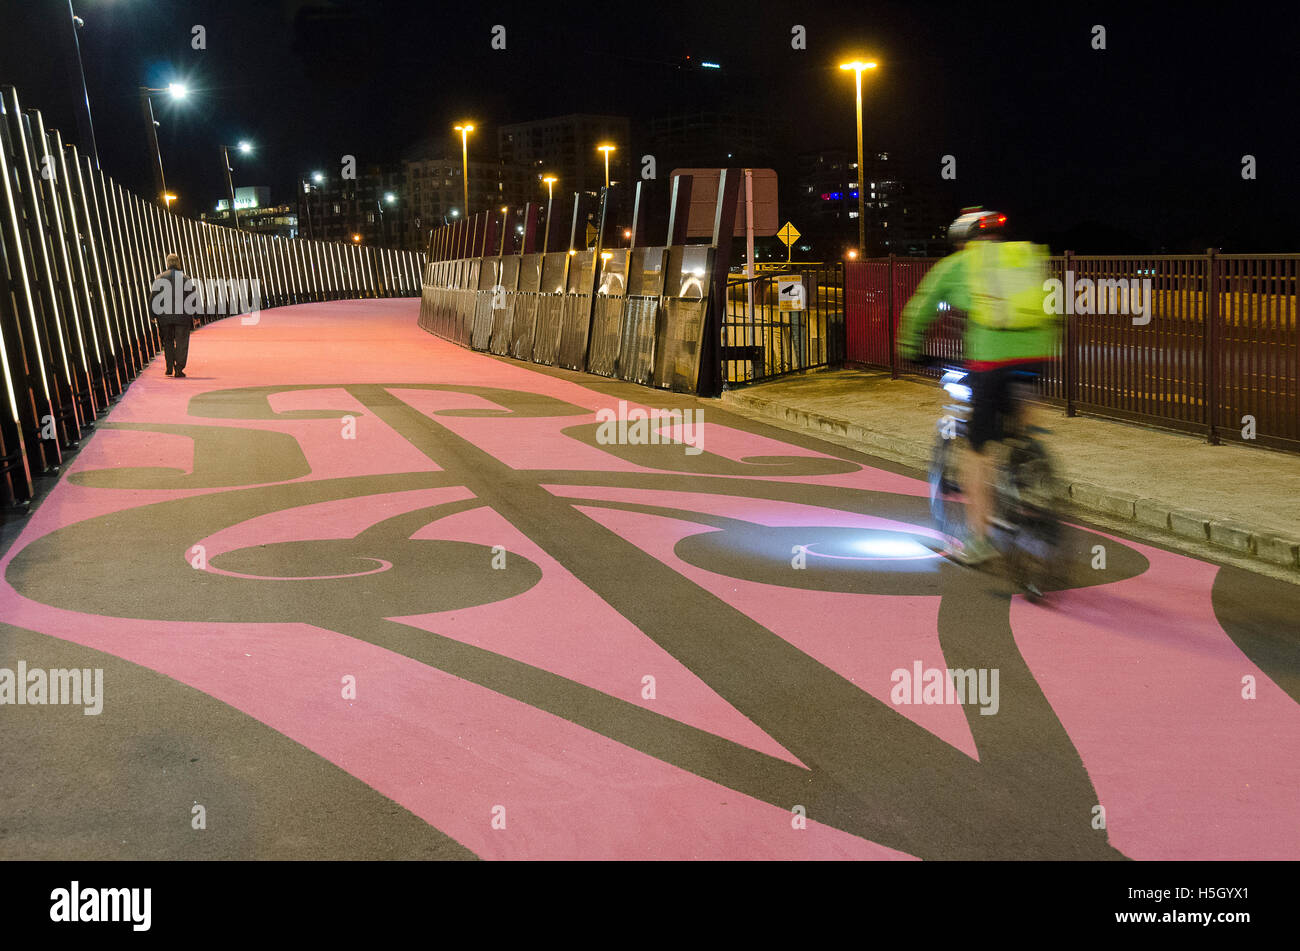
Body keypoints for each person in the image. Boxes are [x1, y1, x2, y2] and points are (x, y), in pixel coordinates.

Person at [898, 208, 1057, 566]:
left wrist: (911, 350)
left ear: (963, 239)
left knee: (977, 448)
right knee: (1022, 425)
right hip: (1036, 355)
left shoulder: (960, 265)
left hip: (992, 363)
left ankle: (979, 542)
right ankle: (1033, 464)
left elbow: (919, 310)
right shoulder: (1024, 258)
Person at [150, 253, 199, 378]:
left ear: (167, 263)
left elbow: (153, 297)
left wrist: (153, 314)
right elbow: (192, 298)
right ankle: (179, 368)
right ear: (178, 263)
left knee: (168, 341)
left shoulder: (159, 278)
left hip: (164, 317)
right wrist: (197, 314)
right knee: (182, 342)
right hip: (182, 317)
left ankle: (169, 367)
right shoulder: (185, 278)